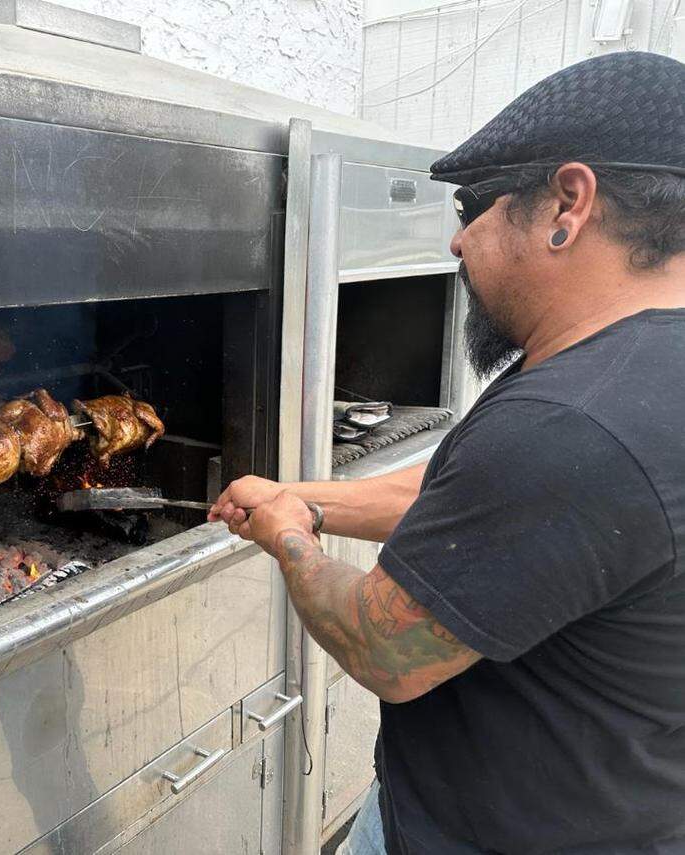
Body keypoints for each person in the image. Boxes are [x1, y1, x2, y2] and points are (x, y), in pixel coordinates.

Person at [210, 51, 685, 854]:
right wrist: (308, 494)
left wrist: (291, 537)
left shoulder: (569, 423)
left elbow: (384, 647)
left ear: (568, 203)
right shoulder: (628, 372)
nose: (459, 242)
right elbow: (471, 507)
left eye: (476, 206)